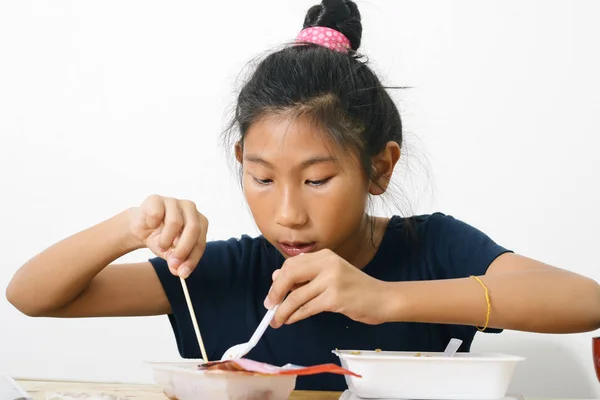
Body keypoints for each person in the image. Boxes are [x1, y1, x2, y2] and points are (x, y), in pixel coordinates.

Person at [6, 0, 600, 392]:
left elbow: (585, 302)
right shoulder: (225, 272)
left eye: (317, 180)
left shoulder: (432, 248)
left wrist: (385, 299)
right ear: (240, 163)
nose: (287, 212)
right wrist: (129, 227)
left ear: (380, 167)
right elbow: (31, 296)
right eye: (262, 178)